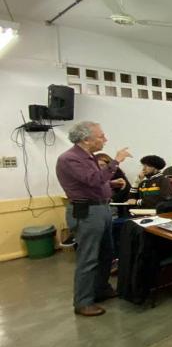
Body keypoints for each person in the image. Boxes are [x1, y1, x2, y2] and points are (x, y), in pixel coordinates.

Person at [56, 121, 132, 317]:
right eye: (100, 136)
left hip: (102, 209)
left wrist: (112, 183)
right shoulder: (70, 159)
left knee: (107, 253)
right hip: (87, 213)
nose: (105, 139)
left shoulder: (88, 157)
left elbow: (94, 181)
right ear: (86, 139)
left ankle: (101, 289)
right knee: (88, 258)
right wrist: (116, 161)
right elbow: (93, 180)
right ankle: (83, 302)